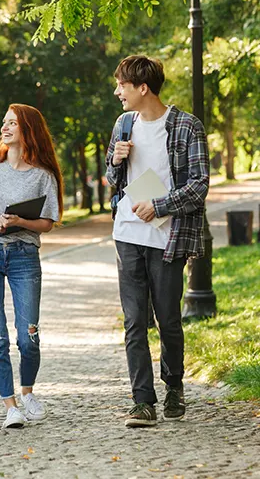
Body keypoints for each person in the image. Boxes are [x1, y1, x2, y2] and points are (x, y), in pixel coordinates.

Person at [105, 55, 209, 427]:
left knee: (167, 319)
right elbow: (111, 179)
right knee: (134, 321)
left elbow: (199, 185)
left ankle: (174, 386)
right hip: (127, 234)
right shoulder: (123, 124)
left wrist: (159, 205)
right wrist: (115, 162)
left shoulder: (185, 126)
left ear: (142, 87)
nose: (117, 92)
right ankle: (142, 402)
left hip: (168, 237)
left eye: (122, 85)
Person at [0, 104, 63, 429]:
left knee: (28, 336)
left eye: (12, 123)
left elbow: (47, 223)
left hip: (24, 256)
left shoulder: (43, 175)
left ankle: (28, 391)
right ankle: (10, 406)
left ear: (28, 129)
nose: (4, 128)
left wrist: (20, 220)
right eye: (3, 122)